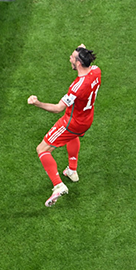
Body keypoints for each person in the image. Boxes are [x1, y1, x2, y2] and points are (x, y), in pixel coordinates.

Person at [28, 44, 101, 207]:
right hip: (87, 119)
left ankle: (58, 186)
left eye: (72, 57)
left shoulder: (77, 87)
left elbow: (57, 108)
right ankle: (72, 170)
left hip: (71, 123)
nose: (70, 58)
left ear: (79, 63)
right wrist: (82, 50)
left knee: (42, 149)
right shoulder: (96, 71)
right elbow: (89, 62)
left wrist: (37, 103)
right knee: (72, 138)